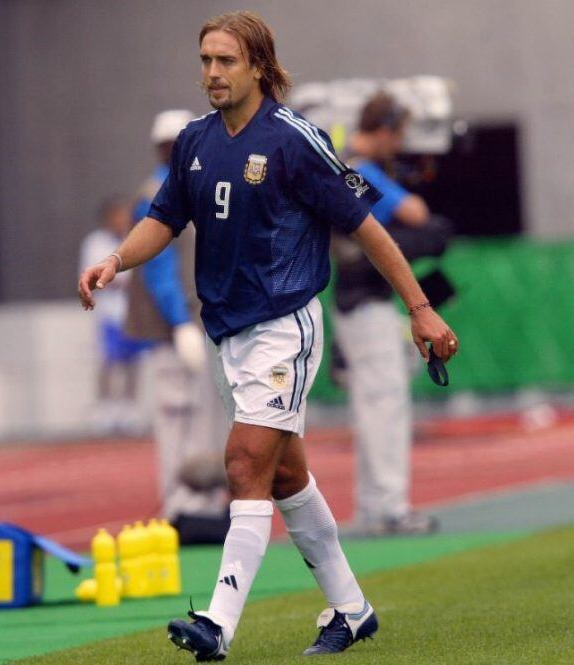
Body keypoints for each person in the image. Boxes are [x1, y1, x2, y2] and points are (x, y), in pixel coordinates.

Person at [78, 11, 458, 660]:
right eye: (205, 61)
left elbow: (366, 227)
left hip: (286, 323)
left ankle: (217, 624)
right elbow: (164, 220)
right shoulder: (196, 142)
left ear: (258, 64)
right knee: (284, 477)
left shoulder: (294, 140)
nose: (213, 73)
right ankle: (352, 608)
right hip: (229, 332)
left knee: (243, 463)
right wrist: (118, 260)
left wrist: (421, 307)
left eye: (225, 61)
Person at [332, 92, 454, 536]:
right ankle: (389, 507)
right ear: (383, 131)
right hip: (364, 298)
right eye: (398, 134)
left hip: (358, 298)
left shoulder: (350, 163)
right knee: (385, 401)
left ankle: (372, 506)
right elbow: (413, 212)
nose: (399, 144)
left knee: (372, 403)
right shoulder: (356, 168)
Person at [125, 110, 230, 538]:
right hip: (172, 331)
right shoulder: (156, 192)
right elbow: (159, 267)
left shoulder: (196, 187)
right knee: (177, 416)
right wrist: (179, 323)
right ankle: (179, 507)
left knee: (204, 417)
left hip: (198, 323)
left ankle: (202, 503)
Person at [78, 196, 146, 434]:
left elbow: (140, 276)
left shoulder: (132, 240)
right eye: (117, 216)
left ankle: (129, 408)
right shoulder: (95, 243)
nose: (121, 221)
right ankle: (104, 408)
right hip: (109, 313)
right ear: (108, 218)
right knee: (108, 362)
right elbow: (97, 277)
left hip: (130, 312)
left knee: (133, 363)